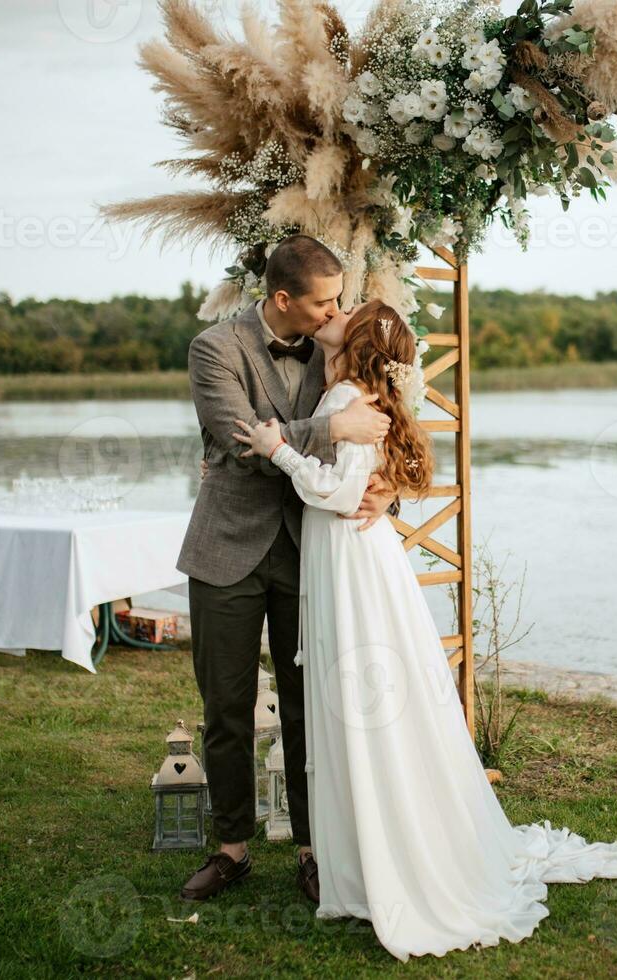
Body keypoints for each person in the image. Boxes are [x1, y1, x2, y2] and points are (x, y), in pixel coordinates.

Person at [233, 299, 617, 962]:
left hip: (351, 562)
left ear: (353, 339)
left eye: (346, 309)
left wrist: (279, 449)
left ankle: (377, 864)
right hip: (356, 559)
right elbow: (367, 480)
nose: (335, 310)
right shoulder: (354, 390)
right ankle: (366, 854)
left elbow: (334, 496)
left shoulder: (343, 394)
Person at [177, 235, 399, 905]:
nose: (339, 310)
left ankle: (314, 845)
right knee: (226, 705)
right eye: (326, 300)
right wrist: (333, 432)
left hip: (314, 552)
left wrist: (386, 480)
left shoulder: (340, 354)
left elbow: (389, 430)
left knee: (312, 707)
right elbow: (238, 441)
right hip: (227, 551)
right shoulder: (215, 349)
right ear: (282, 300)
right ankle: (232, 848)